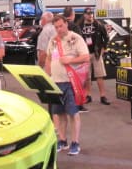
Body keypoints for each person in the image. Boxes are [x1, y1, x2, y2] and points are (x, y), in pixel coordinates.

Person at [45, 14, 90, 156]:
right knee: (59, 113)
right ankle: (63, 140)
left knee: (73, 113)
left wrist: (70, 61)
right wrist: (47, 76)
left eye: (61, 26)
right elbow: (48, 58)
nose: (59, 29)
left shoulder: (75, 38)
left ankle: (75, 142)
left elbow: (86, 57)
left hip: (71, 83)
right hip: (55, 83)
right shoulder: (53, 40)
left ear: (66, 24)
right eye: (56, 27)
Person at [77, 8, 110, 105]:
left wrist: (103, 49)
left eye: (91, 14)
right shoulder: (79, 26)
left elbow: (106, 38)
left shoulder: (99, 25)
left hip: (96, 53)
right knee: (87, 76)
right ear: (84, 15)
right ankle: (88, 95)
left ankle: (103, 96)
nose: (90, 15)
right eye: (88, 14)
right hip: (85, 54)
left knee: (100, 75)